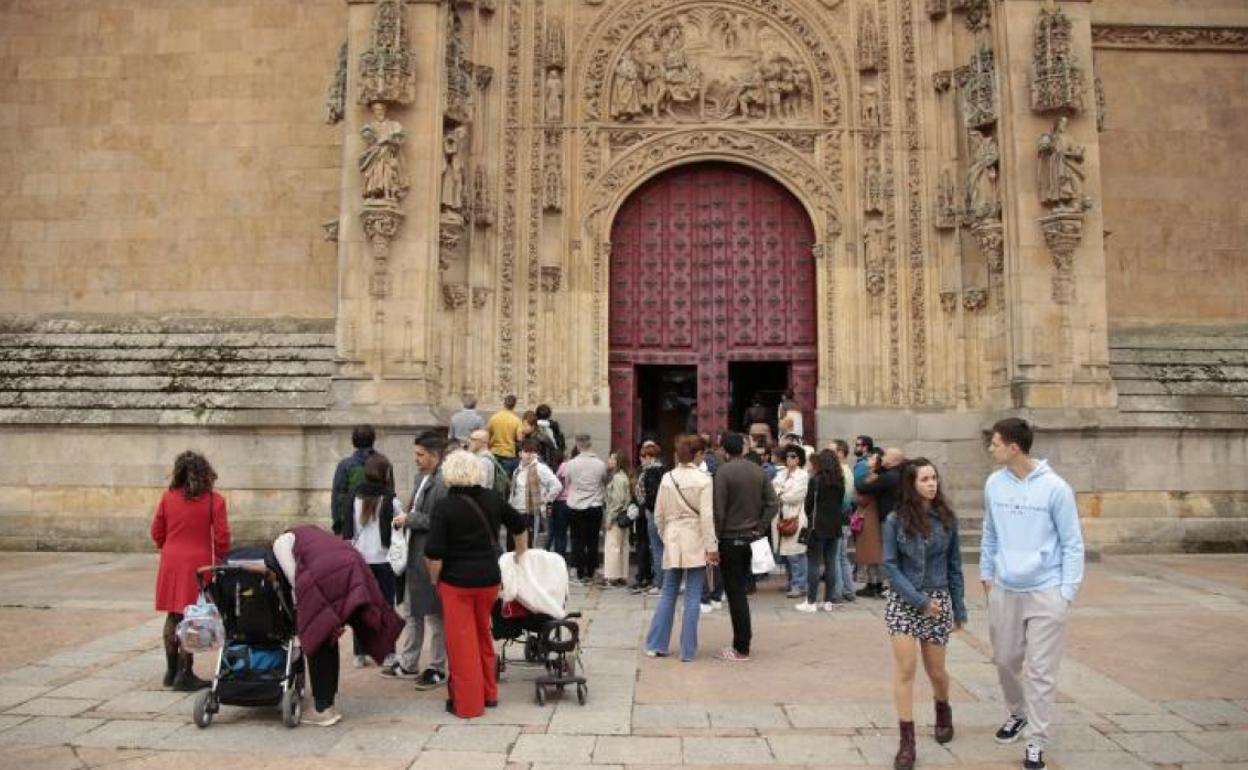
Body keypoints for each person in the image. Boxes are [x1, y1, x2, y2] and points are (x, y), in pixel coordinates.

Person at [981, 418, 1084, 770]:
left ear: (1013, 447)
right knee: (1005, 660)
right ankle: (1018, 713)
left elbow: (1072, 543)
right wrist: (986, 575)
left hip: (1046, 592)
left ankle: (1037, 740)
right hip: (1005, 588)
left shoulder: (1056, 488)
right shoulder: (994, 483)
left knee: (1041, 671)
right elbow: (990, 533)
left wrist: (1065, 592)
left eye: (994, 443)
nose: (990, 448)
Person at [425, 450, 530, 718]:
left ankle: (468, 704)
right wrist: (519, 557)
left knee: (462, 644)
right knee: (483, 634)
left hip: (457, 583)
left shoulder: (444, 507)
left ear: (449, 474)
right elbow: (519, 525)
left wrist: (434, 580)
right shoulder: (492, 498)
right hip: (488, 581)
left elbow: (434, 553)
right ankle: (489, 693)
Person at [272, 525, 403, 726]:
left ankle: (323, 710)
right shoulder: (309, 532)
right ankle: (328, 703)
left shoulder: (279, 543)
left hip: (329, 572)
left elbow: (295, 581)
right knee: (328, 635)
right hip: (353, 564)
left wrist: (302, 618)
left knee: (316, 637)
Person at [882, 459, 967, 770]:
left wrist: (958, 608)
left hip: (938, 598)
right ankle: (907, 741)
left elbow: (955, 567)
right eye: (925, 479)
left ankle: (942, 708)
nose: (932, 484)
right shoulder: (894, 520)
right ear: (911, 484)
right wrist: (918, 600)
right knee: (905, 670)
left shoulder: (947, 519)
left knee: (937, 672)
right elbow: (890, 566)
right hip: (905, 601)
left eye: (934, 478)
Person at [151, 451, 231, 691]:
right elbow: (222, 536)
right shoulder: (214, 501)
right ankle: (185, 674)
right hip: (198, 563)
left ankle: (171, 670)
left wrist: (168, 548)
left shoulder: (167, 498)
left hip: (171, 560)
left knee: (173, 615)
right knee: (192, 617)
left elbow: (157, 531)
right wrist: (219, 560)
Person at [644, 435, 718, 662]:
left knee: (668, 592)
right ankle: (687, 650)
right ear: (697, 455)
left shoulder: (668, 478)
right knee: (693, 595)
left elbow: (659, 515)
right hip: (695, 537)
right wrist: (711, 545)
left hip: (673, 537)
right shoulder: (704, 480)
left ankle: (656, 644)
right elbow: (706, 516)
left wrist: (666, 535)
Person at [385, 432, 449, 691]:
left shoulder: (443, 482)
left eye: (421, 455)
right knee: (411, 611)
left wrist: (410, 519)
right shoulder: (421, 477)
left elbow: (439, 520)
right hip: (413, 552)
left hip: (429, 555)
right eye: (416, 454)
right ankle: (409, 660)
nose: (416, 459)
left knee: (433, 614)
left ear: (435, 456)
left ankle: (437, 665)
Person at [712, 432, 780, 662]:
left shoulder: (723, 472)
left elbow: (719, 511)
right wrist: (760, 528)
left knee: (735, 594)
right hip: (752, 538)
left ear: (724, 450)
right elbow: (773, 503)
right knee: (742, 590)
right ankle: (743, 642)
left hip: (730, 539)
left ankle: (741, 646)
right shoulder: (758, 470)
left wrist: (716, 537)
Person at [344, 453, 402, 668]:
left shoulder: (354, 495)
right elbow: (401, 522)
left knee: (360, 607)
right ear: (386, 473)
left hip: (359, 559)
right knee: (386, 606)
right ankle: (388, 653)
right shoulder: (390, 498)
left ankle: (359, 653)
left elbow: (347, 528)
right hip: (384, 560)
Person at [796, 449, 846, 612]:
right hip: (835, 526)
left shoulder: (816, 480)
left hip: (817, 526)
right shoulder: (840, 480)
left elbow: (808, 505)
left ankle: (811, 601)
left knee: (814, 563)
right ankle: (828, 601)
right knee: (831, 563)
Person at [855, 446, 904, 598]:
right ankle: (879, 585)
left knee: (887, 554)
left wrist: (871, 470)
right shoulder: (894, 473)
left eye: (886, 456)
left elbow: (863, 487)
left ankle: (890, 586)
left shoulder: (890, 476)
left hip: (888, 519)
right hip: (889, 517)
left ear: (894, 461)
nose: (882, 458)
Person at [563, 435, 608, 584]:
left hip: (575, 505)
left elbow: (568, 481)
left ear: (578, 445)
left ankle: (578, 571)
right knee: (593, 540)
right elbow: (604, 481)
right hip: (594, 505)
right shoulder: (600, 464)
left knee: (577, 540)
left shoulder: (570, 464)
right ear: (590, 444)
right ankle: (592, 571)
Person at [331, 425, 391, 536]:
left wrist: (338, 524)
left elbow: (338, 496)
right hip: (379, 521)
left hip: (351, 523)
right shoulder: (384, 462)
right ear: (373, 440)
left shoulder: (345, 465)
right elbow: (390, 492)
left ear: (354, 441)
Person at [508, 438, 562, 547]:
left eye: (532, 452)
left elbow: (557, 486)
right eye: (526, 451)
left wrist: (544, 500)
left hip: (531, 513)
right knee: (512, 545)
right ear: (520, 453)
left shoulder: (540, 468)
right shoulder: (517, 470)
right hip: (516, 511)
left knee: (529, 545)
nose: (529, 455)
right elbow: (514, 491)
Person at [772, 444, 809, 599]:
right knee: (786, 554)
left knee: (796, 554)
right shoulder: (781, 474)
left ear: (799, 459)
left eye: (793, 456)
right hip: (781, 518)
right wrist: (782, 493)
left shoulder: (802, 475)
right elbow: (772, 489)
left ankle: (800, 585)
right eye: (787, 456)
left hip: (795, 518)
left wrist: (780, 493)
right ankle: (791, 581)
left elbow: (795, 497)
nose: (789, 459)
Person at [634, 440, 667, 595]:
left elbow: (651, 495)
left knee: (657, 548)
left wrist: (646, 506)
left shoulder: (652, 472)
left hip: (653, 513)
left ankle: (660, 583)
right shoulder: (664, 471)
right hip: (663, 513)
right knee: (663, 548)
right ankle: (666, 582)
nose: (641, 459)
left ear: (650, 456)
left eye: (643, 456)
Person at [831, 439, 857, 602]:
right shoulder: (845, 470)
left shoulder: (841, 471)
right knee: (841, 557)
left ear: (840, 453)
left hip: (839, 519)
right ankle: (848, 590)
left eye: (832, 450)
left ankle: (838, 591)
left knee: (835, 556)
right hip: (844, 519)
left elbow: (843, 501)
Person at [603, 449, 634, 587]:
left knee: (613, 547)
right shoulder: (623, 477)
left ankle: (612, 576)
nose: (609, 461)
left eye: (612, 459)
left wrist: (609, 519)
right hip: (623, 516)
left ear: (618, 462)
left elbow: (617, 501)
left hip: (616, 517)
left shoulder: (618, 478)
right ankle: (621, 574)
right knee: (622, 546)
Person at [487, 395, 523, 476]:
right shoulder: (516, 421)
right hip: (509, 453)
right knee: (505, 480)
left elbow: (487, 434)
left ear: (504, 403)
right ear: (514, 405)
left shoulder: (494, 418)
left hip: (494, 452)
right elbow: (519, 438)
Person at [468, 428, 509, 497]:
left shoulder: (483, 461)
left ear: (483, 442)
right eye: (469, 438)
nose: (469, 441)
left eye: (473, 439)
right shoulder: (482, 457)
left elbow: (481, 486)